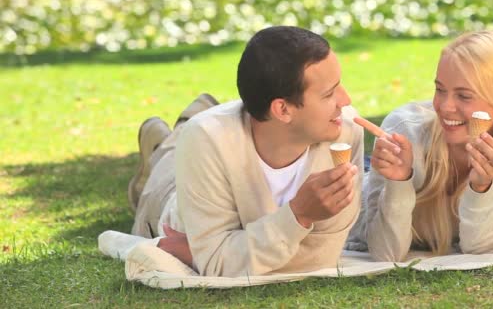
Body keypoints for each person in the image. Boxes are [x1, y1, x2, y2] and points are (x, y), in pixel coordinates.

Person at [129, 26, 364, 277]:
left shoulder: (346, 133)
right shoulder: (207, 138)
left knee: (199, 134)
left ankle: (192, 118)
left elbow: (323, 257)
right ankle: (161, 145)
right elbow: (217, 263)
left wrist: (214, 254)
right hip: (172, 200)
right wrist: (299, 215)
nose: (346, 100)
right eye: (329, 93)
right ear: (283, 110)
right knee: (169, 161)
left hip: (223, 142)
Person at [346, 30, 493, 261]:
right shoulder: (405, 129)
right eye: (440, 90)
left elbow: (480, 251)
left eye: (464, 96)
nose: (445, 107)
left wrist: (481, 187)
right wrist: (399, 182)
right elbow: (387, 253)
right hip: (356, 183)